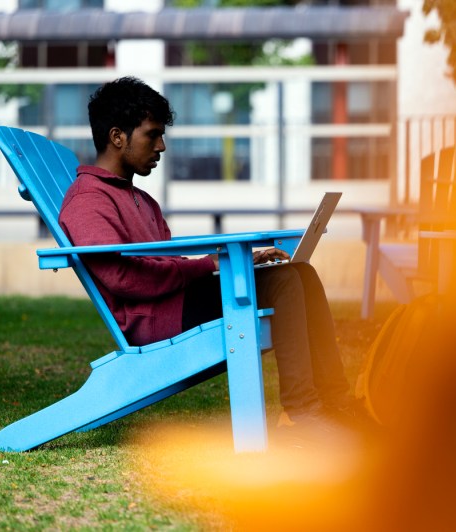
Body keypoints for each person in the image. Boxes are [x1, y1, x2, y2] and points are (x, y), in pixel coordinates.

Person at [59, 76, 366, 445]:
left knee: (298, 271)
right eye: (152, 135)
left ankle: (335, 401)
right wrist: (213, 264)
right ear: (117, 136)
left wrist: (232, 263)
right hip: (153, 319)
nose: (162, 146)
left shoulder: (141, 199)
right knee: (283, 282)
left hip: (173, 302)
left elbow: (166, 264)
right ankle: (304, 411)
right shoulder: (88, 200)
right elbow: (121, 278)